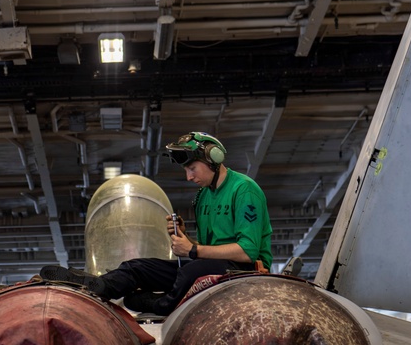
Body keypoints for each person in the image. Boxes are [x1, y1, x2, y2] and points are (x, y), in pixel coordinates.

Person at [40, 132, 272, 315]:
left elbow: (247, 252)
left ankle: (163, 305)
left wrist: (192, 249)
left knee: (191, 270)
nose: (189, 177)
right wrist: (186, 238)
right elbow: (204, 249)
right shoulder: (203, 195)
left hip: (242, 269)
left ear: (214, 159)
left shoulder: (244, 190)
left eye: (192, 168)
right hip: (210, 266)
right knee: (136, 267)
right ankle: (94, 286)